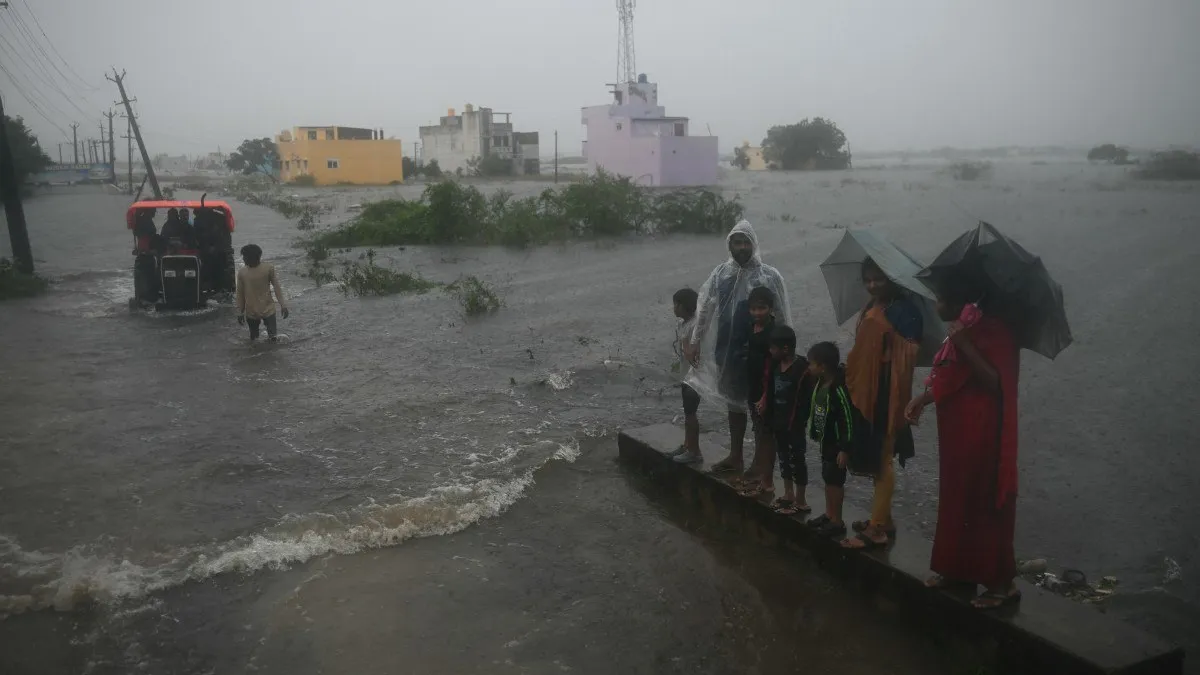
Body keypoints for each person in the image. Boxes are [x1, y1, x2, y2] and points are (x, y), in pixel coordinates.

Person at [905, 273, 1021, 609]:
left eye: (940, 299)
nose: (936, 305)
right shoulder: (964, 325)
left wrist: (967, 343)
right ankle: (958, 570)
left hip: (983, 431)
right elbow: (951, 375)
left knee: (984, 498)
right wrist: (922, 399)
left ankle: (1002, 584)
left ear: (959, 300)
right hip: (957, 431)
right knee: (957, 497)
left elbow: (997, 384)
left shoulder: (995, 330)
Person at [684, 220, 790, 479]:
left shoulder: (769, 276)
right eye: (737, 242)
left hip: (760, 353)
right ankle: (736, 456)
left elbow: (782, 315)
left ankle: (760, 465)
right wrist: (696, 341)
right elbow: (705, 309)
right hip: (727, 350)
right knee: (734, 405)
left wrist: (785, 351)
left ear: (754, 245)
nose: (742, 247)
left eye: (746, 242)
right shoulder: (721, 273)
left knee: (760, 409)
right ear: (729, 244)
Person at [841, 257, 923, 550]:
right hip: (870, 388)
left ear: (892, 278)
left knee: (884, 458)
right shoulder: (873, 307)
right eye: (868, 280)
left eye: (878, 279)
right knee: (877, 455)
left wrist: (889, 344)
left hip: (889, 392)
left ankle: (877, 529)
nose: (872, 285)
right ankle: (883, 519)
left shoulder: (905, 311)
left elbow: (911, 352)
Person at [758, 324, 813, 515]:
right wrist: (765, 402)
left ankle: (801, 500)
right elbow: (770, 388)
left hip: (794, 423)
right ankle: (788, 494)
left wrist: (803, 419)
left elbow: (807, 399)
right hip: (777, 421)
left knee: (797, 459)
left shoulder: (802, 369)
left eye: (773, 348)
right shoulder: (775, 364)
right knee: (783, 457)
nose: (770, 351)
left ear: (786, 349)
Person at [803, 342, 855, 539]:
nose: (809, 367)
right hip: (826, 441)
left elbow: (847, 420)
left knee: (835, 481)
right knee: (828, 478)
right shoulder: (820, 383)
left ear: (822, 367)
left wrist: (845, 448)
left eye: (811, 364)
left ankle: (837, 521)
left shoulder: (838, 390)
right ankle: (829, 513)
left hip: (836, 445)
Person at [737, 286, 778, 496]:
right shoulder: (753, 327)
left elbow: (772, 367)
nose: (757, 313)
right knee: (759, 432)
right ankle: (760, 476)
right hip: (753, 388)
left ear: (771, 309)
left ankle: (767, 481)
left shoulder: (773, 332)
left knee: (767, 435)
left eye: (761, 308)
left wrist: (765, 395)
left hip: (766, 391)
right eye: (753, 309)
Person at [670, 288, 703, 464]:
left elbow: (692, 354)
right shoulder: (683, 324)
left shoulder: (696, 326)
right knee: (687, 412)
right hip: (686, 376)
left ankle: (695, 451)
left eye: (675, 304)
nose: (673, 308)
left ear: (682, 306)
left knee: (691, 413)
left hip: (695, 377)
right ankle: (687, 445)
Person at [236, 244, 289, 341]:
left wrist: (283, 305)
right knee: (253, 338)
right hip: (251, 311)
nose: (243, 259)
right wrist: (240, 312)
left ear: (253, 257)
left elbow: (277, 288)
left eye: (245, 256)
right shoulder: (242, 272)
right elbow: (240, 294)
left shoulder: (268, 268)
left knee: (273, 337)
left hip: (268, 308)